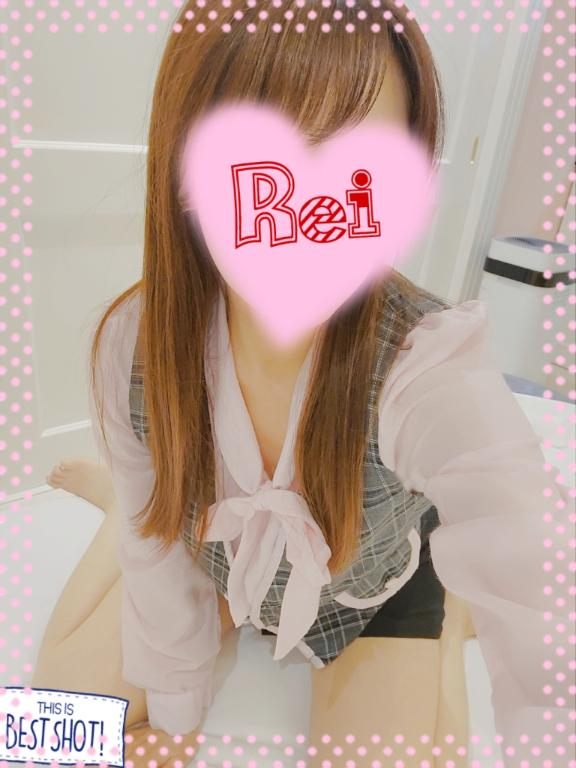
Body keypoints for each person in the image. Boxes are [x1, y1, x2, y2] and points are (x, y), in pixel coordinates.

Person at [31, 2, 572, 767]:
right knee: (50, 722)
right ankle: (125, 498)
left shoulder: (426, 362)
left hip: (370, 590)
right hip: (215, 557)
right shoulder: (134, 346)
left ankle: (450, 608)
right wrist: (176, 722)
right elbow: (158, 565)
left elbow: (542, 587)